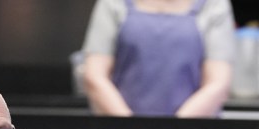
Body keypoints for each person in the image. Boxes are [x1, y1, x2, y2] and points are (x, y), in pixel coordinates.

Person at [80, 0, 235, 117]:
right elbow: (95, 76)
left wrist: (172, 128)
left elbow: (218, 83)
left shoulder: (214, 4)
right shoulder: (113, 3)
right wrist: (130, 125)